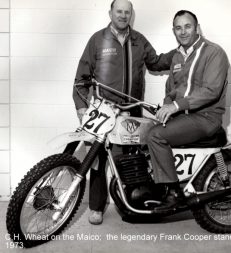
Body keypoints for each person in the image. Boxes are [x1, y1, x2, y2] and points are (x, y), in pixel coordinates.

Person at [73, 0, 175, 224]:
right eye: (118, 11)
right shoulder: (97, 40)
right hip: (103, 112)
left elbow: (156, 62)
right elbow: (81, 78)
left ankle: (132, 202)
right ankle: (97, 208)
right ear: (110, 12)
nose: (122, 15)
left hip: (132, 110)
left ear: (131, 15)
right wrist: (81, 106)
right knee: (98, 159)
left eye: (126, 12)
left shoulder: (139, 40)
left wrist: (179, 54)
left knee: (132, 159)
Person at [147, 10, 229, 210]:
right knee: (143, 130)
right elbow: (172, 89)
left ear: (197, 28)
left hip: (206, 117)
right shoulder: (177, 56)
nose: (183, 31)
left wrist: (176, 106)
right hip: (184, 117)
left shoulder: (213, 52)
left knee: (156, 136)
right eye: (178, 27)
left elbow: (211, 91)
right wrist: (165, 105)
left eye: (187, 26)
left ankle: (174, 193)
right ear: (173, 31)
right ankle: (154, 186)